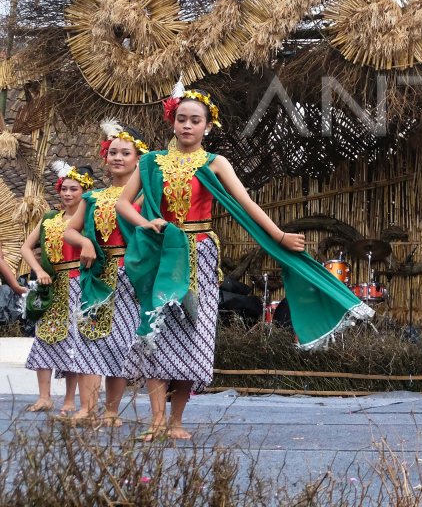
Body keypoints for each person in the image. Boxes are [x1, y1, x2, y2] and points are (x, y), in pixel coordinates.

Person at [117, 81, 371, 440]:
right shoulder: (150, 162)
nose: (188, 126)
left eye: (195, 120)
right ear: (172, 121)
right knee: (158, 332)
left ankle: (175, 423)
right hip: (162, 254)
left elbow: (247, 205)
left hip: (199, 254)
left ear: (208, 126)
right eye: (182, 119)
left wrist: (279, 236)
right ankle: (156, 422)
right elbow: (123, 205)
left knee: (191, 335)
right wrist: (148, 223)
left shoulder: (215, 163)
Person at [62, 120, 148, 425]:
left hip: (131, 275)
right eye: (113, 152)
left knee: (121, 342)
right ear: (105, 157)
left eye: (126, 153)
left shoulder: (144, 197)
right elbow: (68, 232)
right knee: (90, 338)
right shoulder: (92, 198)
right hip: (97, 275)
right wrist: (85, 241)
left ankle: (111, 410)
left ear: (138, 159)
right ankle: (87, 408)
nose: (118, 158)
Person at [22, 161, 93, 414]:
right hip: (51, 285)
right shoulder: (50, 218)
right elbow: (26, 248)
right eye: (64, 188)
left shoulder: (88, 220)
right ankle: (44, 397)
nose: (67, 193)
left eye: (73, 189)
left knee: (75, 340)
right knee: (44, 337)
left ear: (83, 192)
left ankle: (69, 400)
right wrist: (39, 270)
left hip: (78, 285)